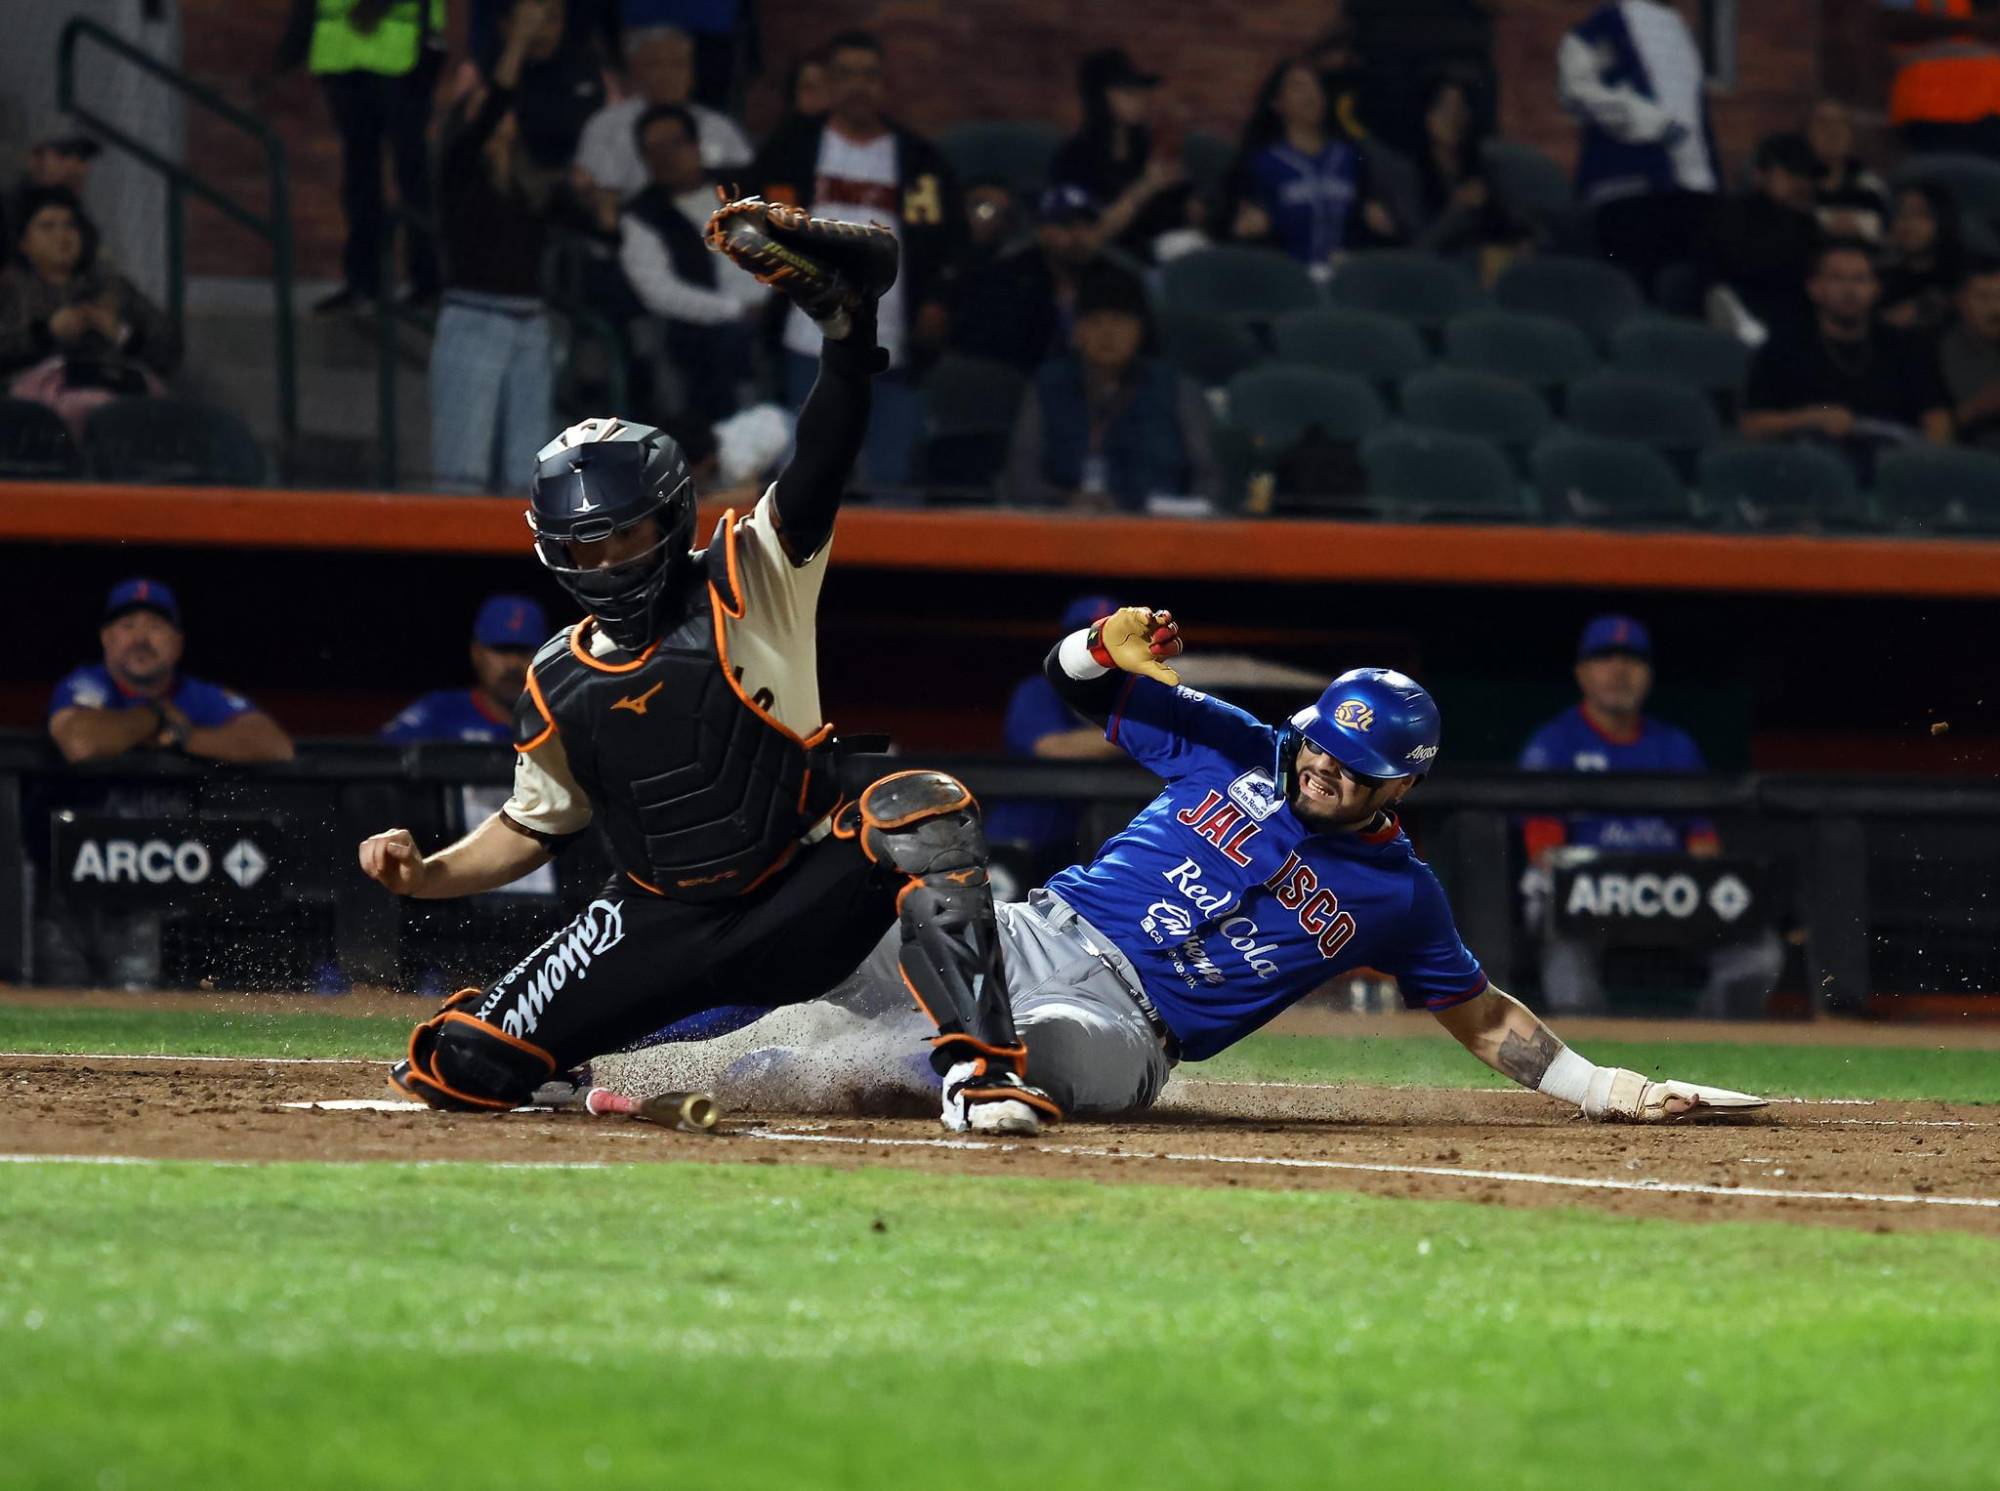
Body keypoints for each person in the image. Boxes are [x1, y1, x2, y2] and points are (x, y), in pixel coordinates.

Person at [358, 193, 1063, 1137]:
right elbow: (531, 827)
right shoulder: (554, 677)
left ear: (673, 517)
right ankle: (566, 1063)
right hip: (659, 923)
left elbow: (822, 455)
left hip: (800, 897)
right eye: (584, 548)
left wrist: (847, 338)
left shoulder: (750, 574)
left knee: (921, 807)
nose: (607, 563)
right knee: (463, 1066)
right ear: (552, 553)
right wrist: (423, 875)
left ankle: (981, 1073)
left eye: (627, 537)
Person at [595, 606, 1765, 1125]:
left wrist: (1606, 1090)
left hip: (1125, 1031)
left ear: (1400, 786)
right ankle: (594, 1050)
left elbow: (1479, 1017)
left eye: (1351, 769)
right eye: (1317, 748)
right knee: (819, 923)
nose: (1319, 773)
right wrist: (1095, 642)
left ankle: (778, 1077)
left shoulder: (1400, 897)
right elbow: (1078, 684)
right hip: (1030, 930)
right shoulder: (1235, 749)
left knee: (1029, 1046)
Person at [1517, 615, 1781, 1017]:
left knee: (1757, 952)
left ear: (1649, 675)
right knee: (1552, 905)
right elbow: (1544, 851)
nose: (1620, 670)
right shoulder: (1553, 744)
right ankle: (1588, 1049)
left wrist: (1666, 879)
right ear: (1582, 673)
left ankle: (1711, 1046)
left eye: (1633, 660)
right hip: (1588, 892)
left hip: (1669, 889)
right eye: (1605, 657)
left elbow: (1704, 847)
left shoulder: (1675, 746)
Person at [40, 579, 296, 989]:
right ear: (106, 639)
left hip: (166, 893)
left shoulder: (197, 696)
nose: (140, 638)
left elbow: (275, 746)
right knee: (56, 1011)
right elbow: (80, 741)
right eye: (127, 626)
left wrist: (185, 738)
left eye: (155, 627)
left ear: (177, 642)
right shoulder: (86, 686)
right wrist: (155, 718)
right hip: (77, 894)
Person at [750, 30, 959, 488]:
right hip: (809, 336)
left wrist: (936, 302)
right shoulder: (793, 149)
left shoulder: (919, 159)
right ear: (828, 82)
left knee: (892, 478)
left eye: (869, 75)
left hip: (891, 339)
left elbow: (945, 243)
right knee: (808, 476)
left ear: (884, 84)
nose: (859, 87)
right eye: (846, 75)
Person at [428, 4, 603, 494]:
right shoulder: (460, 170)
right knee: (461, 473)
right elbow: (490, 109)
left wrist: (599, 206)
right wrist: (517, 42)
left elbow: (597, 225)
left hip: (531, 324)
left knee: (525, 477)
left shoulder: (533, 185)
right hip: (473, 320)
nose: (501, 118)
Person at [1004, 266, 1221, 511]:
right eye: (1094, 322)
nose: (1107, 334)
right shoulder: (1047, 385)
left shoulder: (1178, 389)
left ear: (1140, 330)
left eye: (1119, 322)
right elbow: (1022, 477)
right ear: (1076, 332)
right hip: (1065, 525)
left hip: (1157, 529)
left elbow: (1208, 478)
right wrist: (1066, 501)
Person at [1741, 239, 1952, 479]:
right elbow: (1753, 426)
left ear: (1876, 289)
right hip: (1808, 471)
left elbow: (1937, 418)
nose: (1849, 290)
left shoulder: (1907, 346)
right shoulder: (1783, 347)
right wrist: (1808, 418)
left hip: (1896, 469)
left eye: (1860, 279)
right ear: (1815, 288)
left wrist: (1932, 464)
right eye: (1837, 278)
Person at [617, 103, 771, 424]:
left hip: (776, 309)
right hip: (703, 331)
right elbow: (660, 292)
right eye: (653, 149)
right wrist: (734, 310)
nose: (666, 156)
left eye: (674, 144)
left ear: (695, 145)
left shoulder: (742, 188)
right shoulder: (643, 216)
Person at [288, 0, 444, 315]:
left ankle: (426, 283)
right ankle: (363, 282)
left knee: (411, 174)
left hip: (401, 51)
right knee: (360, 179)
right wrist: (297, 40)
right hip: (343, 54)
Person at [1558, 0, 1721, 297]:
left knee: (1690, 290)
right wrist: (1649, 122)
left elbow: (1696, 113)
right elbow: (1577, 89)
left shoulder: (1681, 28)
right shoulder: (1604, 24)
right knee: (1635, 288)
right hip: (1628, 183)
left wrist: (1712, 180)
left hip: (1692, 189)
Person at [0, 187, 181, 439]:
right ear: (24, 243)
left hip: (118, 394)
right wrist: (47, 333)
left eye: (70, 225)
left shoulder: (115, 287)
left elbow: (169, 347)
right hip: (35, 415)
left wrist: (121, 334)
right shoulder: (10, 289)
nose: (62, 235)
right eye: (47, 226)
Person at [982, 594, 1124, 871]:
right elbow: (1052, 746)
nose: (1098, 649)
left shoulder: (1136, 697)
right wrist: (1148, 734)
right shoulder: (1039, 690)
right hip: (1024, 845)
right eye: (1087, 638)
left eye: (1111, 638)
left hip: (1096, 854)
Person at [1227, 58, 1396, 270]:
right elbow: (1233, 227)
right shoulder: (1260, 164)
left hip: (1344, 279)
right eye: (1298, 87)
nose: (1310, 94)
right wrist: (1250, 228)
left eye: (1315, 85)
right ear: (1276, 103)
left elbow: (1374, 221)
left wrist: (1376, 223)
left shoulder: (1350, 157)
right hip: (1288, 282)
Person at [574, 25, 755, 206]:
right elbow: (589, 188)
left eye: (678, 63)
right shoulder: (606, 125)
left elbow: (747, 186)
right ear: (634, 69)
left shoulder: (720, 127)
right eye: (655, 64)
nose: (667, 74)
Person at [1050, 48, 1193, 263]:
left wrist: (1188, 196)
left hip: (1169, 250)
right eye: (1128, 92)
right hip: (1116, 263)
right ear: (1101, 97)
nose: (1141, 100)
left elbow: (1183, 211)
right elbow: (1084, 241)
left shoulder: (1146, 145)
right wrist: (1145, 188)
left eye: (1141, 91)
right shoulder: (1077, 156)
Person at [945, 185, 1105, 375]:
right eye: (1066, 225)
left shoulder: (1117, 278)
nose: (1080, 236)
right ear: (1042, 230)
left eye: (1088, 225)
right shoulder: (1006, 279)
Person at [1697, 133, 1823, 342]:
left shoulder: (1807, 222)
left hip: (1798, 318)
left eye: (1805, 175)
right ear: (1761, 174)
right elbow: (1735, 267)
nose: (1801, 183)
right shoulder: (1732, 215)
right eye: (1790, 174)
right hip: (1746, 309)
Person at [381, 594, 549, 742]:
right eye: (501, 649)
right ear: (476, 653)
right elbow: (380, 760)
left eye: (523, 652)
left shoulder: (559, 719)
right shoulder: (439, 712)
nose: (513, 664)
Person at [1878, 182, 1964, 333]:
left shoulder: (1964, 273)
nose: (1908, 224)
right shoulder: (1882, 273)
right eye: (1901, 215)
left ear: (1942, 219)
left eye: (1920, 215)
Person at [1804, 99, 1888, 244]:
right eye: (1823, 124)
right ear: (1808, 132)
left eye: (1841, 124)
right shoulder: (1797, 183)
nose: (1833, 132)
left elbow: (1884, 229)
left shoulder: (1870, 186)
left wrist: (1858, 225)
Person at [1942, 257, 2000, 454]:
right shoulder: (1936, 352)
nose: (1995, 308)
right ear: (1960, 300)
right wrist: (1979, 408)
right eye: (1983, 297)